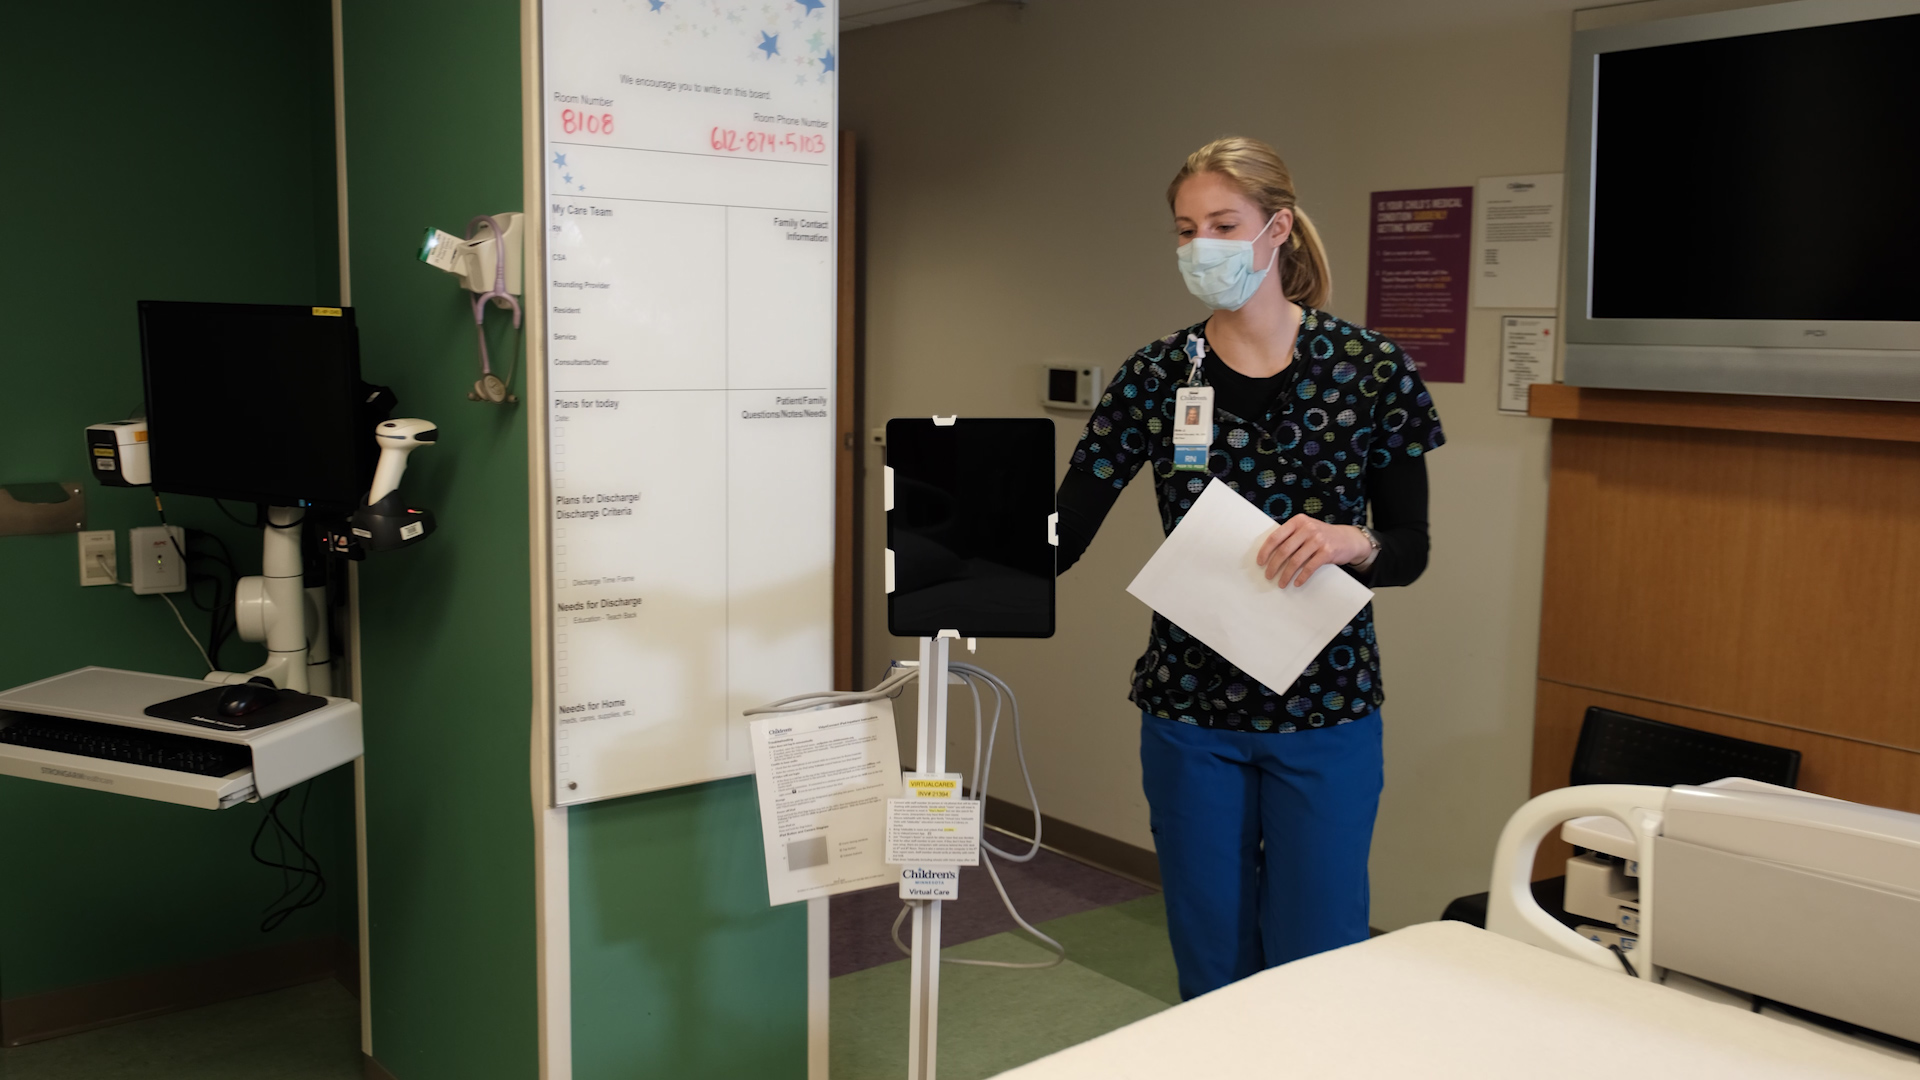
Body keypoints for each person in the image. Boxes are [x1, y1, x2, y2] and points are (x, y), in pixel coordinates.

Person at [1055, 136, 1444, 1000]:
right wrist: (960, 542)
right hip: (1191, 710)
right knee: (1212, 957)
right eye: (1185, 229)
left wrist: (1353, 541)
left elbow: (1409, 547)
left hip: (1325, 706)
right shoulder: (1159, 376)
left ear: (1277, 228)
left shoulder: (1370, 370)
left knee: (1321, 953)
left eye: (1222, 224)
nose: (1201, 246)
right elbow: (1066, 528)